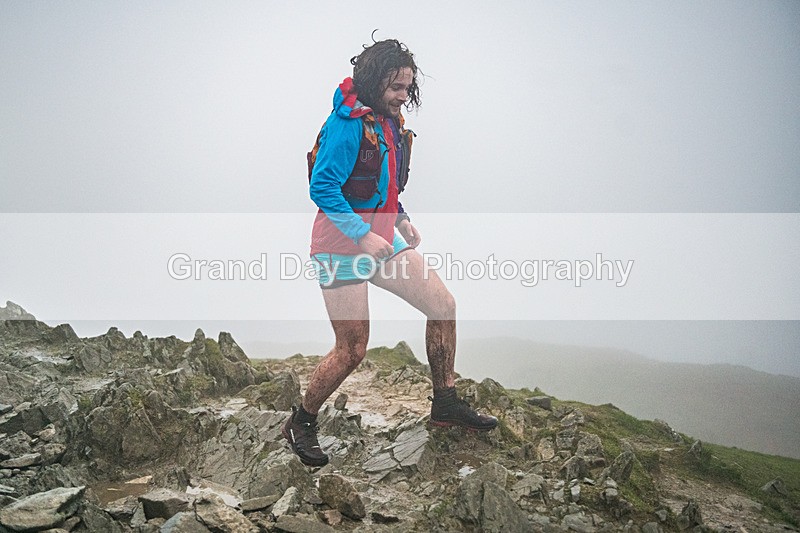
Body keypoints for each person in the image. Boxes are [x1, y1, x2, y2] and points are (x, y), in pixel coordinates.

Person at [282, 37, 497, 467]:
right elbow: (322, 187)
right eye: (396, 87)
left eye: (407, 88)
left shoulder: (388, 121)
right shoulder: (346, 125)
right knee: (352, 349)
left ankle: (445, 403)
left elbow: (385, 182)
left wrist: (400, 218)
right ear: (373, 79)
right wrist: (362, 236)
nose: (403, 96)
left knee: (442, 305)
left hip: (382, 237)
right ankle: (301, 421)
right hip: (340, 248)